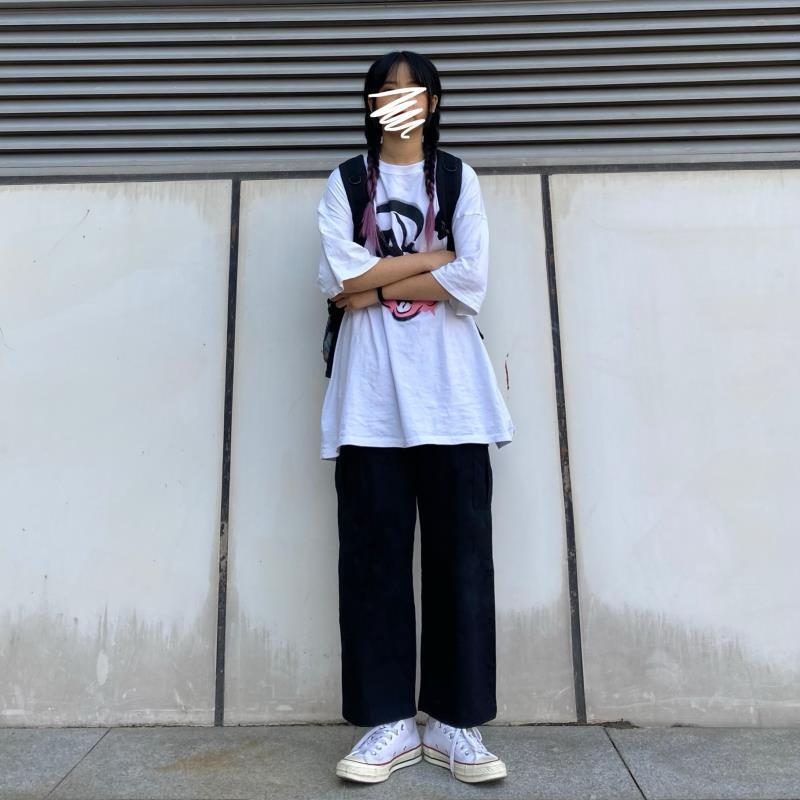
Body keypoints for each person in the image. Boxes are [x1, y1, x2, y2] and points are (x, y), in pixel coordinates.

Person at [316, 50, 515, 785]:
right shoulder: (346, 183)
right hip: (369, 406)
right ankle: (389, 723)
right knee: (372, 565)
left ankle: (457, 724)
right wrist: (433, 259)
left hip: (453, 402)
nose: (400, 102)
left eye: (413, 91)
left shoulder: (458, 179)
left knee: (462, 564)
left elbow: (473, 276)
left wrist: (374, 285)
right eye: (386, 92)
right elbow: (336, 278)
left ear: (433, 103)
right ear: (370, 105)